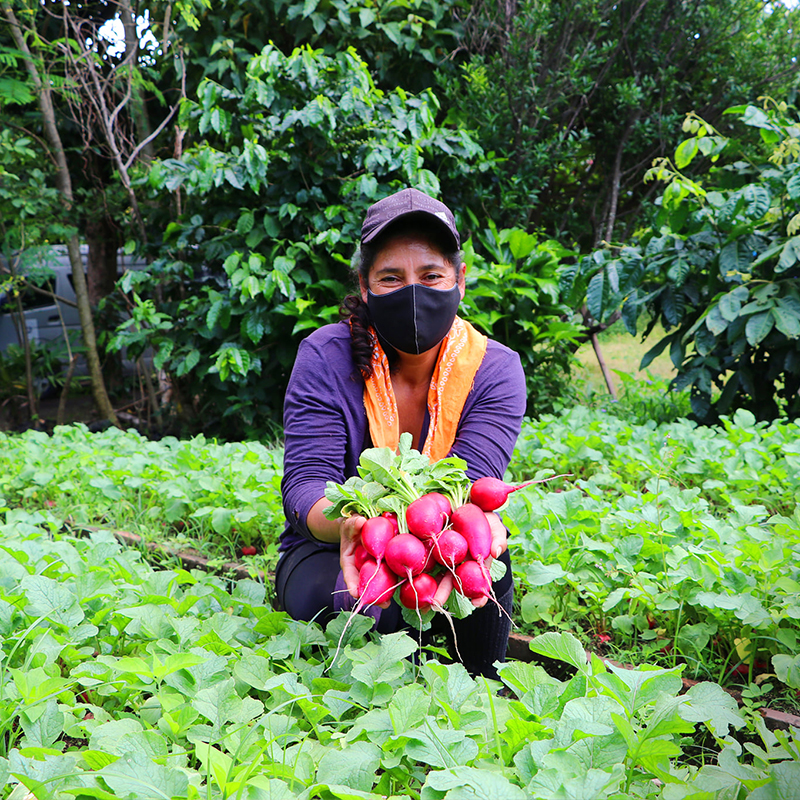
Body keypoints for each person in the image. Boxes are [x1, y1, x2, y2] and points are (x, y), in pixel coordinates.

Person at [275, 187, 527, 679]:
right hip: (333, 549)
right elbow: (305, 487)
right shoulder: (324, 357)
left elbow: (469, 487)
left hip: (446, 547)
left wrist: (426, 543)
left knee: (486, 586)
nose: (414, 291)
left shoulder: (495, 369)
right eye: (391, 278)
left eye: (431, 275)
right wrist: (353, 524)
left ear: (459, 279)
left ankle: (475, 687)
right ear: (365, 288)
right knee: (364, 602)